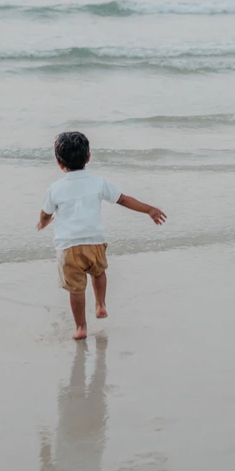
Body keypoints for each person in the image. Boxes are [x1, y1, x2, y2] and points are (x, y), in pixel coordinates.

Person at [37, 130, 166, 339]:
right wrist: (149, 209)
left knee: (76, 290)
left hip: (68, 247)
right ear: (88, 157)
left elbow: (46, 212)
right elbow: (123, 199)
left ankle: (81, 328)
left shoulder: (55, 188)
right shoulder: (97, 182)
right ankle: (101, 304)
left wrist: (43, 223)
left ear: (59, 163)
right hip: (95, 242)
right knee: (98, 273)